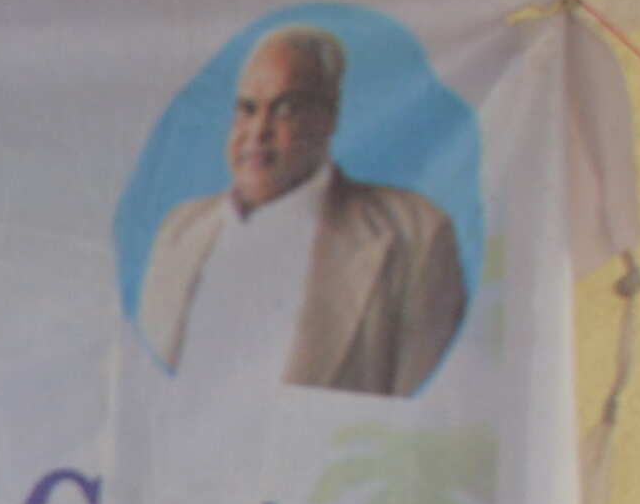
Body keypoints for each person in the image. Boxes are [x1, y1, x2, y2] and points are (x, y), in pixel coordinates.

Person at [138, 23, 468, 398]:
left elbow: (422, 414)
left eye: (286, 109)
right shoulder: (180, 229)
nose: (258, 131)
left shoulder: (416, 236)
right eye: (247, 109)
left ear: (329, 118)